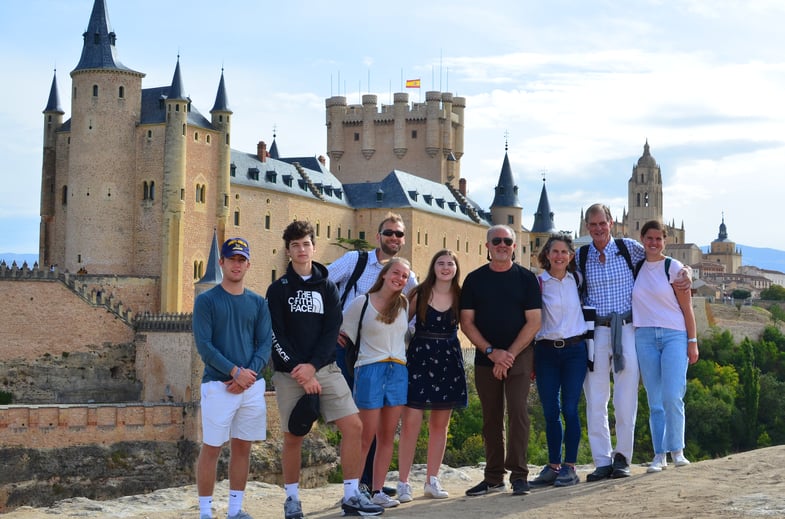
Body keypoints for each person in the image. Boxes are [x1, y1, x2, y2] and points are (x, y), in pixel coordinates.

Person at [265, 221, 383, 518]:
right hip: (289, 373)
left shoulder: (328, 286)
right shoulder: (277, 290)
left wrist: (313, 367)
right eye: (295, 245)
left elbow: (332, 331)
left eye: (305, 244)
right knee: (294, 435)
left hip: (325, 368)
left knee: (353, 426)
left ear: (313, 247)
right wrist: (298, 369)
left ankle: (351, 495)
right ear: (288, 251)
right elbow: (274, 334)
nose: (301, 250)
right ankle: (292, 500)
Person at [578, 204, 691, 481]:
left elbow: (660, 257)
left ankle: (622, 458)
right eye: (592, 225)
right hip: (596, 332)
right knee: (595, 397)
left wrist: (685, 269)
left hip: (628, 329)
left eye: (602, 223)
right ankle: (602, 459)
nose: (598, 229)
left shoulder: (630, 248)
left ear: (612, 223)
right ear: (587, 227)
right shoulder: (580, 256)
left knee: (626, 396)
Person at [328, 212, 417, 496]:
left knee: (379, 421)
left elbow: (412, 314)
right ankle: (354, 485)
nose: (394, 237)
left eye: (399, 234)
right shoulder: (356, 260)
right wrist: (332, 327)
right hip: (350, 348)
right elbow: (322, 283)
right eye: (389, 232)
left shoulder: (408, 275)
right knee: (358, 422)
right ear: (378, 236)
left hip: (385, 355)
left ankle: (369, 483)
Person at [192, 237, 272, 519]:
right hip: (218, 385)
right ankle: (205, 512)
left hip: (250, 386)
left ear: (248, 264)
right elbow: (204, 345)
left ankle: (235, 510)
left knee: (243, 448)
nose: (236, 265)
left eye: (241, 260)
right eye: (232, 259)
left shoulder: (258, 303)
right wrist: (234, 372)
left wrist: (247, 376)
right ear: (222, 262)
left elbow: (264, 344)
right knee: (212, 447)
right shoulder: (206, 301)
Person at [460, 225, 542, 497]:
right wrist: (492, 351)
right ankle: (494, 477)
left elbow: (534, 322)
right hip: (487, 356)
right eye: (497, 240)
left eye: (508, 241)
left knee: (517, 413)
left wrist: (508, 355)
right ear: (487, 246)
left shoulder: (526, 279)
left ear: (514, 246)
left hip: (519, 355)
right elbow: (467, 322)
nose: (502, 244)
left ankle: (519, 475)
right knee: (491, 417)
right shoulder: (474, 280)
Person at [397, 250, 467, 502]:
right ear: (433, 266)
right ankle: (403, 482)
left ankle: (432, 480)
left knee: (440, 426)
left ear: (456, 268)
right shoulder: (420, 292)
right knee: (411, 424)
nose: (446, 267)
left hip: (448, 360)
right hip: (419, 359)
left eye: (450, 264)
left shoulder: (461, 296)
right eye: (441, 263)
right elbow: (400, 322)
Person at [341, 257, 412, 509]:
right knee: (365, 436)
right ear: (384, 274)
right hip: (370, 369)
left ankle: (377, 489)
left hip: (398, 371)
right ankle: (353, 490)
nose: (400, 279)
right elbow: (341, 333)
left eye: (405, 276)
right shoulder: (362, 303)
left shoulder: (403, 304)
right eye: (396, 273)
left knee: (386, 436)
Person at [632, 220, 699, 473]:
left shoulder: (674, 267)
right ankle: (659, 455)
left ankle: (677, 450)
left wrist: (692, 341)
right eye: (649, 238)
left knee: (673, 395)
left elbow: (687, 308)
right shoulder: (635, 266)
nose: (653, 243)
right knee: (654, 399)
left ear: (665, 241)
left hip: (674, 336)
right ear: (642, 239)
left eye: (658, 239)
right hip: (645, 336)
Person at [529, 234, 588, 488]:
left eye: (565, 252)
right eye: (555, 252)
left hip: (575, 350)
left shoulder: (578, 280)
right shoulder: (538, 283)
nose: (560, 256)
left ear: (571, 256)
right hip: (546, 351)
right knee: (551, 411)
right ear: (547, 255)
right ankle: (553, 465)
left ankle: (570, 467)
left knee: (570, 409)